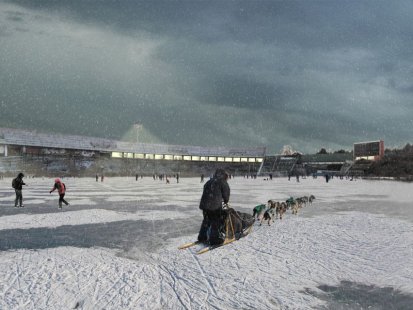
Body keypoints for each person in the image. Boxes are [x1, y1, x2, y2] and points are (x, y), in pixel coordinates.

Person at [197, 168, 230, 245]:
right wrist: (225, 201)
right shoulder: (222, 182)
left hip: (205, 205)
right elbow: (226, 194)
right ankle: (214, 239)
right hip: (214, 206)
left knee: (206, 220)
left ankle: (202, 237)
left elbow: (206, 191)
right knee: (216, 221)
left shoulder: (209, 181)